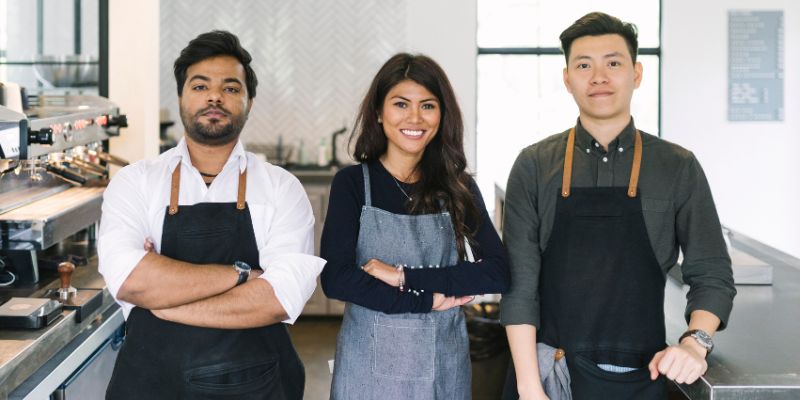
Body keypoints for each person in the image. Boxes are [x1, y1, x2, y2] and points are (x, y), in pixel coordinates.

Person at [500, 12, 736, 400]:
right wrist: (529, 388)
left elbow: (711, 273)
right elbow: (520, 286)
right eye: (583, 65)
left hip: (640, 376)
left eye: (613, 63)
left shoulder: (677, 166)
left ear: (637, 74)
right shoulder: (534, 165)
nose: (598, 77)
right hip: (547, 375)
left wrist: (696, 342)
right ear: (567, 78)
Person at [98, 31, 325, 399]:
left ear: (250, 102)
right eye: (200, 86)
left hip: (254, 383)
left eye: (231, 88)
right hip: (153, 383)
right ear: (181, 97)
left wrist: (168, 304)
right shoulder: (136, 182)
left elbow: (279, 298)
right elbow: (132, 281)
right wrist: (243, 276)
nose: (215, 97)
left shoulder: (281, 187)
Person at [320, 53, 511, 399]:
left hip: (445, 364)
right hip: (368, 366)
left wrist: (405, 278)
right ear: (378, 113)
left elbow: (497, 272)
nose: (414, 117)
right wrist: (426, 301)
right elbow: (336, 278)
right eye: (401, 104)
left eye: (427, 105)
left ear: (441, 115)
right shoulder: (352, 184)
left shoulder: (459, 187)